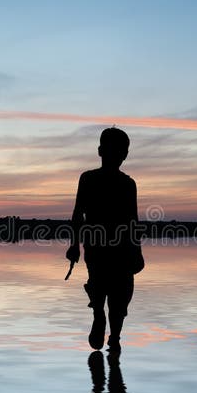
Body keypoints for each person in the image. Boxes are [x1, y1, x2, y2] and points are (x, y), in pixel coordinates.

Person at [66, 127, 144, 353]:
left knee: (116, 294)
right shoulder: (93, 180)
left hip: (112, 248)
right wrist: (74, 245)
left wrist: (137, 251)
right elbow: (78, 213)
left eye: (121, 151)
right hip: (103, 248)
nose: (119, 155)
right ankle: (104, 322)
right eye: (116, 150)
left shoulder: (124, 184)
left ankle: (111, 331)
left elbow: (132, 221)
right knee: (109, 292)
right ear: (101, 151)